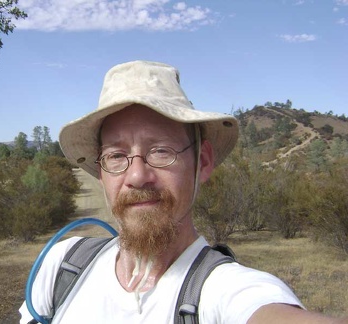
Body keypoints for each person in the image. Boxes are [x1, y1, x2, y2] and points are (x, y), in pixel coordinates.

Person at [20, 60, 347, 323]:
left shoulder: (224, 291)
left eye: (161, 151)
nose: (137, 175)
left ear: (202, 162)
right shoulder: (63, 266)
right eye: (116, 156)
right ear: (101, 171)